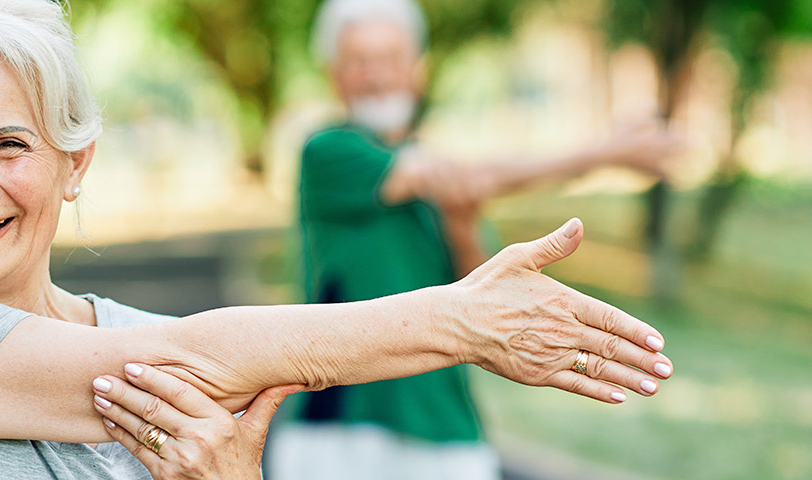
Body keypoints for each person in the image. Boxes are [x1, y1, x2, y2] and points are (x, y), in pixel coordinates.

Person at [0, 0, 673, 478]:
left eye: (9, 143)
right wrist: (462, 323)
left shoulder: (153, 349)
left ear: (75, 162)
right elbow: (194, 353)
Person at [254, 0, 683, 478]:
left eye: (389, 60)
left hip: (445, 424)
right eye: (359, 62)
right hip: (337, 426)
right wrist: (602, 153)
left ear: (417, 69)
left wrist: (460, 223)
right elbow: (445, 174)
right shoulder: (329, 152)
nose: (376, 77)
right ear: (334, 74)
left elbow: (481, 290)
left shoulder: (445, 177)